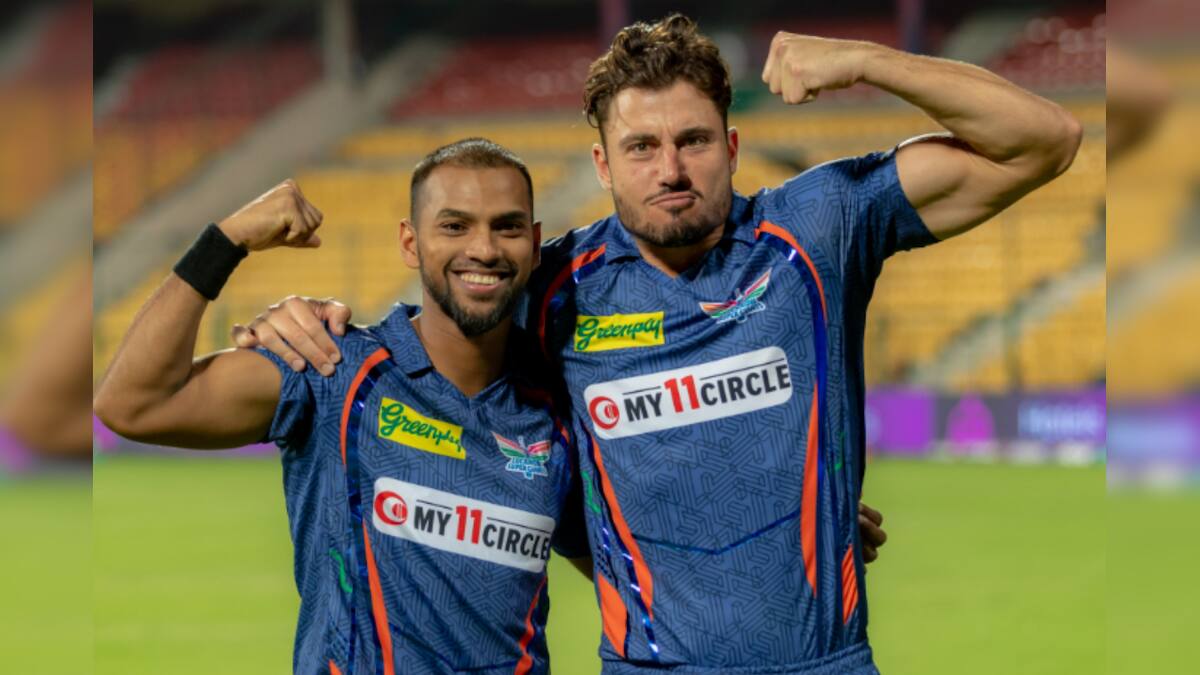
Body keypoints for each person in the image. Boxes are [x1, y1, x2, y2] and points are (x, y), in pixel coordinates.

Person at [241, 13, 1079, 673]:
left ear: (732, 147)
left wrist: (868, 60)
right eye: (642, 147)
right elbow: (444, 322)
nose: (670, 169)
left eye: (693, 140)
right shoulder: (555, 289)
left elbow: (1046, 139)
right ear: (604, 165)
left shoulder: (816, 232)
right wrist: (296, 320)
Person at [93, 139, 593, 675]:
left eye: (507, 227)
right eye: (454, 226)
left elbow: (627, 569)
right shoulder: (333, 369)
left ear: (534, 245)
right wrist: (226, 241)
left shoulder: (557, 412)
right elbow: (134, 403)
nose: (484, 249)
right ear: (410, 243)